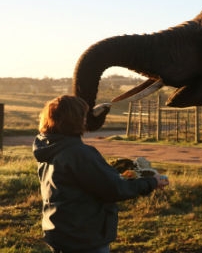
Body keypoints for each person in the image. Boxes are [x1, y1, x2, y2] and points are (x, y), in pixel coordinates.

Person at [33, 95, 168, 253]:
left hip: (59, 230)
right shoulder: (78, 153)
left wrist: (114, 172)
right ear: (75, 120)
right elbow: (114, 189)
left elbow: (86, 182)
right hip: (83, 237)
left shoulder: (48, 148)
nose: (86, 120)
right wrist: (151, 182)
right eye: (83, 116)